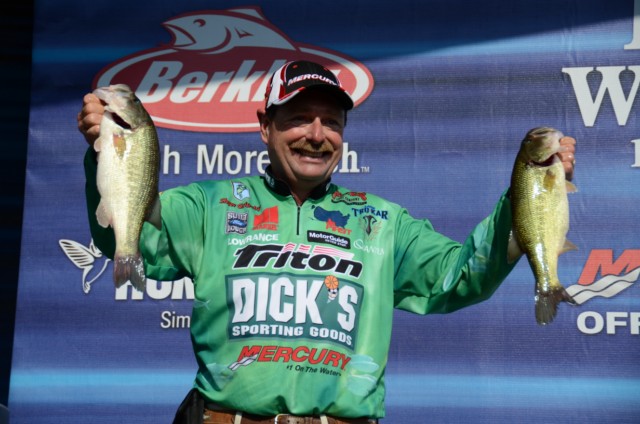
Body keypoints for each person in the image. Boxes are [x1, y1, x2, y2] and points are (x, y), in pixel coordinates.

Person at [77, 60, 576, 424]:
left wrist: (528, 195)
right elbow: (124, 235)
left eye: (332, 122)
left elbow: (461, 276)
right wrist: (108, 153)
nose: (317, 135)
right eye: (299, 117)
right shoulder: (207, 206)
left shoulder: (382, 222)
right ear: (265, 126)